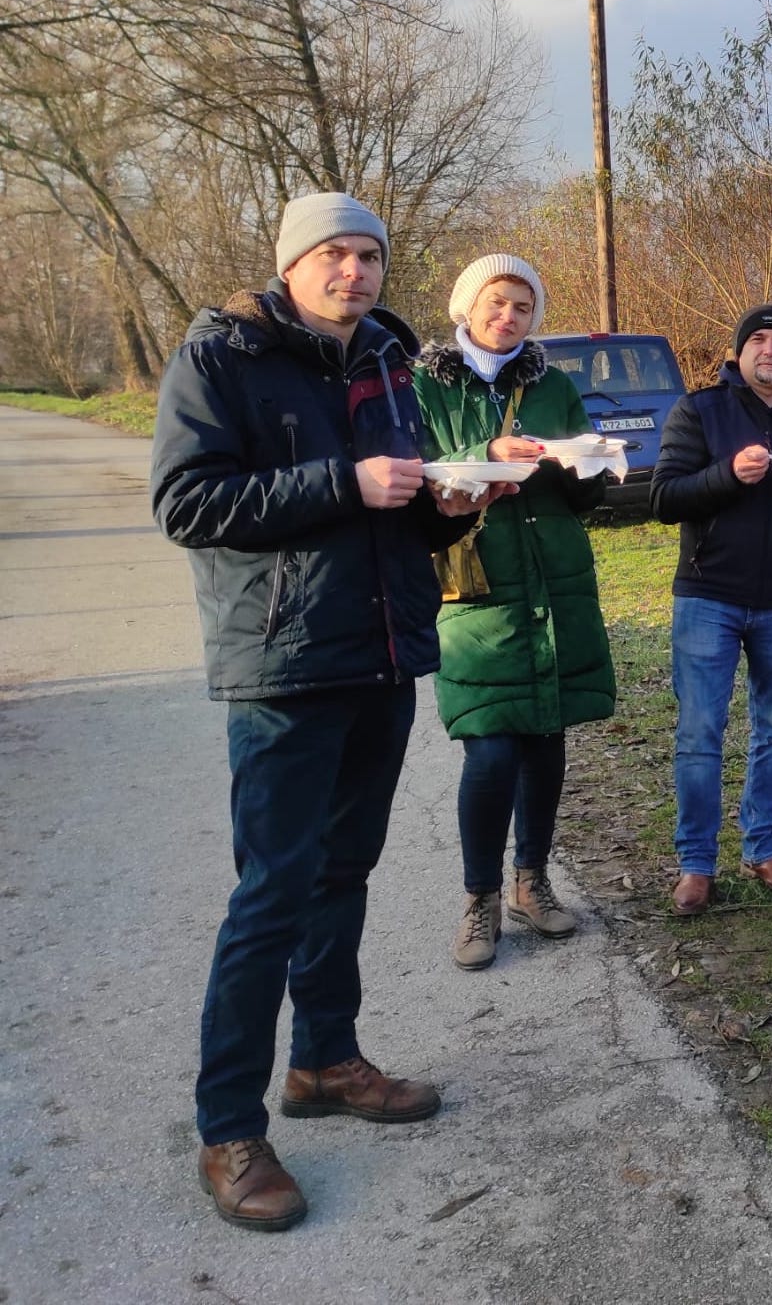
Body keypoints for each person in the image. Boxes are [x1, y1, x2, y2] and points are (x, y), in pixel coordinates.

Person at [152, 192, 510, 1231]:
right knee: (271, 893)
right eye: (332, 255)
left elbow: (384, 513)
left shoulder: (388, 357)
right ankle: (228, 1128)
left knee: (344, 873)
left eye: (367, 255)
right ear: (292, 264)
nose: (353, 272)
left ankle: (323, 1060)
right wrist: (347, 481)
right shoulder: (223, 356)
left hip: (382, 653)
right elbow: (189, 505)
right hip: (282, 664)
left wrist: (445, 506)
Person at [415, 253, 617, 970]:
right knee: (492, 744)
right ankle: (480, 897)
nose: (508, 317)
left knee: (545, 736)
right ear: (466, 306)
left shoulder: (553, 384)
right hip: (476, 588)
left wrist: (588, 463)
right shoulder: (421, 386)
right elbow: (417, 479)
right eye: (496, 303)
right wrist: (484, 453)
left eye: (523, 308)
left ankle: (532, 881)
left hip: (554, 582)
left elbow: (585, 497)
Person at [651, 304, 772, 916]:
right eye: (758, 340)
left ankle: (764, 847)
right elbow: (663, 498)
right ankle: (695, 865)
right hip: (708, 595)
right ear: (739, 353)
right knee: (699, 732)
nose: (771, 350)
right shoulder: (699, 410)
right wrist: (727, 475)